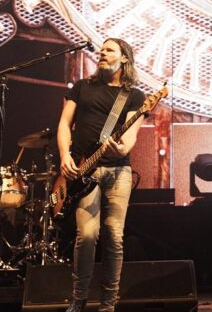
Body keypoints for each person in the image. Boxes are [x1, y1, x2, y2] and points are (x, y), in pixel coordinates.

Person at [57, 38, 146, 312]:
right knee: (86, 234)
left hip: (119, 171)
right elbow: (63, 123)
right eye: (102, 49)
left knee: (114, 235)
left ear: (124, 59)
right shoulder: (82, 87)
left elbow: (129, 139)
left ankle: (108, 305)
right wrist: (64, 155)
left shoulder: (134, 96)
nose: (102, 53)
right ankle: (78, 299)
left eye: (109, 50)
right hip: (86, 170)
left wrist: (119, 147)